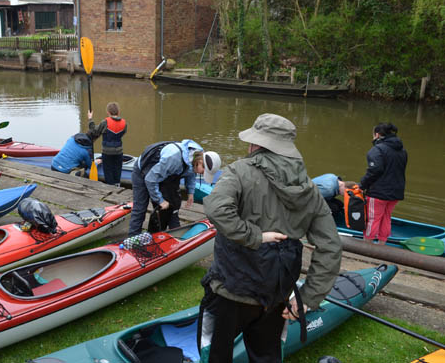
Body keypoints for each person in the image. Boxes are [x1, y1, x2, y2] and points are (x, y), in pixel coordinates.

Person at [200, 113, 342, 363]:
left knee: (217, 355)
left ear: (257, 144)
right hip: (276, 295)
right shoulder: (309, 188)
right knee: (266, 356)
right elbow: (330, 246)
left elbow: (216, 208)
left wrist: (255, 236)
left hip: (231, 292)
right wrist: (308, 297)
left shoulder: (240, 171)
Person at [127, 139, 219, 236]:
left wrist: (190, 192)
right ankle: (132, 238)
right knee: (140, 208)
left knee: (171, 206)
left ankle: (165, 237)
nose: (202, 174)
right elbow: (150, 180)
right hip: (143, 172)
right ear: (200, 161)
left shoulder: (197, 156)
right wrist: (160, 200)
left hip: (163, 174)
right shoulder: (173, 159)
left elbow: (191, 173)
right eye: (204, 171)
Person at [360, 122, 408, 244]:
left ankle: (367, 246)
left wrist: (362, 186)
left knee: (372, 219)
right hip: (396, 192)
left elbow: (374, 170)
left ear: (377, 134)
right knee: (386, 218)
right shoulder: (402, 150)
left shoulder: (377, 150)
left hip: (378, 192)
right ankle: (382, 245)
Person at [88, 102, 127, 186]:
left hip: (107, 152)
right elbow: (123, 133)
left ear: (108, 112)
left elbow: (94, 131)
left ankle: (110, 188)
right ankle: (117, 186)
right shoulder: (124, 123)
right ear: (118, 112)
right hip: (119, 152)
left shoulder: (105, 122)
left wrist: (90, 119)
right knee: (117, 171)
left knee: (108, 172)